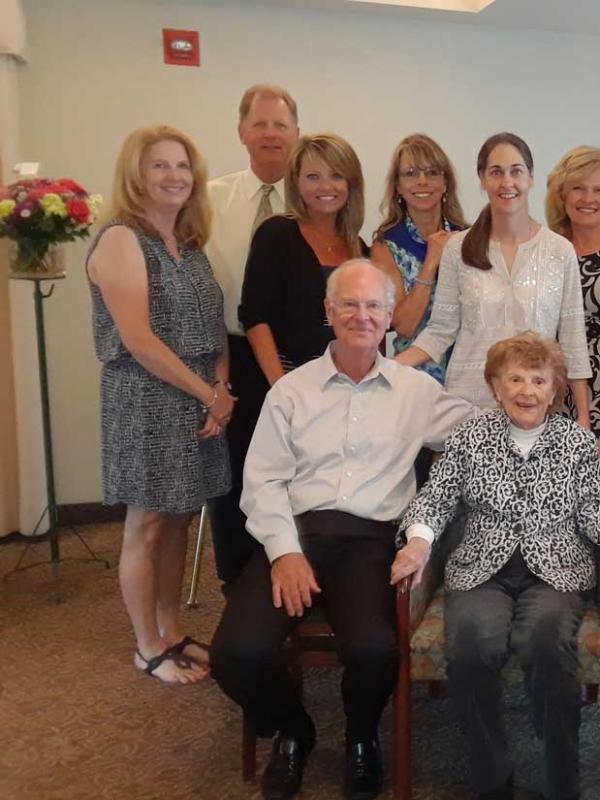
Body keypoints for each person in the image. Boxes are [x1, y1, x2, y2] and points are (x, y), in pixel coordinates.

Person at [211, 259, 474, 800]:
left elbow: (485, 432)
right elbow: (263, 481)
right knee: (235, 655)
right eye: (349, 305)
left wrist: (555, 433)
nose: (362, 315)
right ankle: (295, 729)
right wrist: (284, 552)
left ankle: (361, 738)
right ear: (328, 312)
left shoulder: (415, 391)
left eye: (374, 305)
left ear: (390, 317)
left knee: (375, 650)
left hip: (369, 544)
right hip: (295, 536)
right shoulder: (291, 391)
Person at [392, 332, 600, 800]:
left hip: (556, 571)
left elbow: (593, 511)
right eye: (516, 379)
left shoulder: (577, 443)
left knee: (545, 643)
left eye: (539, 380)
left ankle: (561, 782)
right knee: (471, 646)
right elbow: (436, 498)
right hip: (480, 570)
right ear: (496, 385)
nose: (527, 391)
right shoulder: (469, 437)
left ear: (554, 388)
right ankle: (491, 779)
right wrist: (418, 543)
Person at [87, 125, 234, 684]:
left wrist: (219, 391)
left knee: (180, 519)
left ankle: (172, 631)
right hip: (146, 398)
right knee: (146, 523)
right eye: (160, 166)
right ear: (136, 175)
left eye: (183, 166)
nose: (175, 176)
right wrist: (208, 394)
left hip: (197, 396)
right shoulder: (122, 239)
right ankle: (147, 646)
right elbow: (139, 341)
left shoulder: (189, 243)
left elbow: (215, 326)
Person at [395, 132, 592, 425]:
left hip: (534, 410)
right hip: (467, 410)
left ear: (531, 177)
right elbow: (440, 331)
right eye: (496, 172)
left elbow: (573, 341)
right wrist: (386, 368)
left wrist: (583, 418)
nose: (506, 182)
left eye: (516, 171)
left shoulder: (560, 251)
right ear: (482, 179)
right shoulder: (458, 248)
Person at [205, 84, 300, 587]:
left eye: (280, 125)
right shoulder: (208, 200)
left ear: (296, 133)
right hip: (234, 353)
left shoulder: (314, 197)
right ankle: (238, 580)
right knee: (236, 468)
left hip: (300, 356)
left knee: (299, 467)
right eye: (259, 124)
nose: (270, 134)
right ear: (241, 131)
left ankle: (297, 570)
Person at [239, 132, 368, 383]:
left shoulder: (359, 249)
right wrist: (282, 387)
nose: (326, 186)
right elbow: (255, 317)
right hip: (289, 379)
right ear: (296, 183)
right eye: (313, 177)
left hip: (348, 384)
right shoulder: (276, 234)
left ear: (351, 184)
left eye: (336, 175)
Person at [371, 133, 467, 381]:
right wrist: (431, 262)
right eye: (411, 173)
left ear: (445, 183)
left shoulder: (469, 239)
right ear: (398, 186)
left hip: (468, 375)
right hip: (415, 377)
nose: (422, 181)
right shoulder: (386, 246)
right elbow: (404, 326)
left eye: (432, 172)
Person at [546, 146, 600, 436]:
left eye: (598, 190)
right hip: (552, 387)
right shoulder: (545, 250)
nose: (589, 198)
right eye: (578, 188)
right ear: (561, 195)